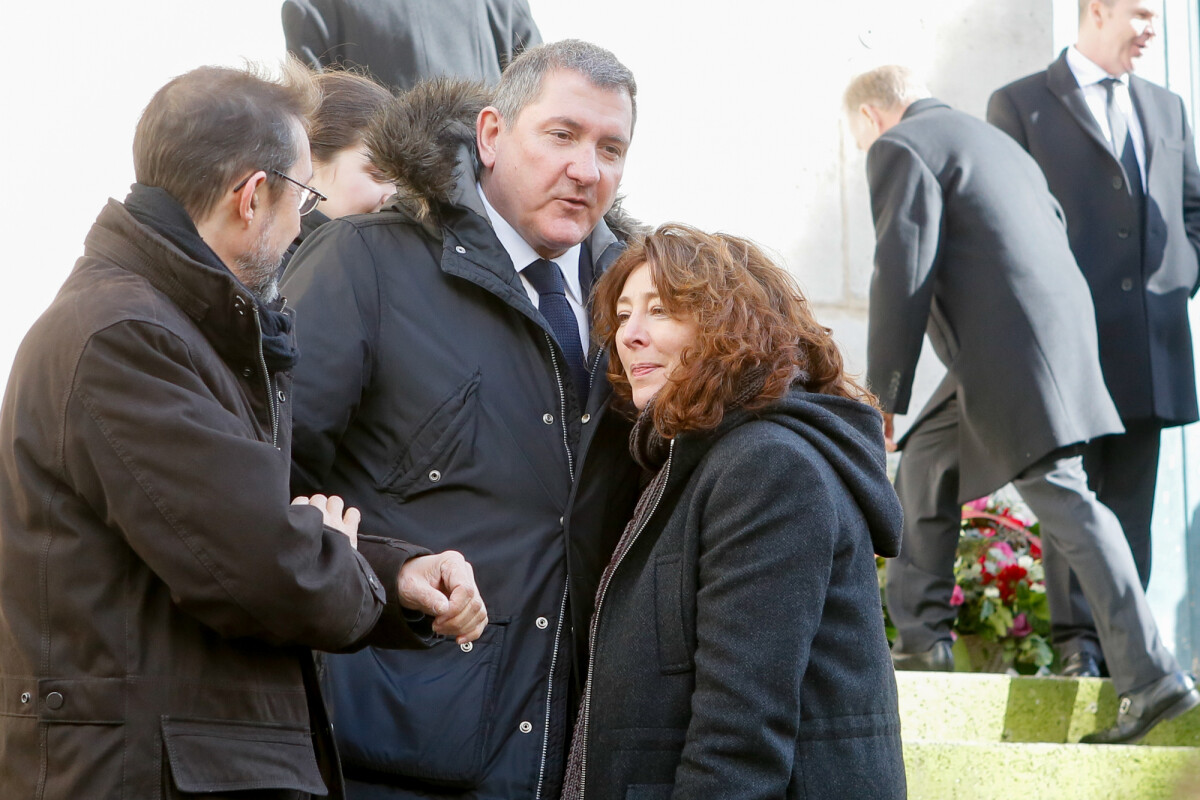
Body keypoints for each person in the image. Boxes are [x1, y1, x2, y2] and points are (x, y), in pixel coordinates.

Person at [0, 63, 487, 799]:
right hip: (143, 775)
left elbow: (258, 533)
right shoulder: (124, 338)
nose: (304, 224)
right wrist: (332, 554)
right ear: (253, 197)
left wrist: (391, 574)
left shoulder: (178, 329)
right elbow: (264, 568)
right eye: (304, 195)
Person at [281, 41, 642, 798]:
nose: (587, 169)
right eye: (562, 135)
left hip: (576, 752)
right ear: (490, 135)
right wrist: (395, 571)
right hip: (387, 749)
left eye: (612, 147)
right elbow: (271, 479)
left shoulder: (640, 300)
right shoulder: (364, 264)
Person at [846, 64, 1198, 744]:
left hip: (1018, 355)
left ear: (871, 117)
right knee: (926, 457)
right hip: (1041, 342)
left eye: (858, 137)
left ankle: (1153, 679)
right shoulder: (990, 140)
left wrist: (882, 394)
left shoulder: (901, 146)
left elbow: (902, 269)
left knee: (1064, 498)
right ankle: (922, 641)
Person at [557, 223, 907, 799]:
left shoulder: (767, 467)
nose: (631, 336)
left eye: (661, 311)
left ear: (731, 326)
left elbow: (740, 732)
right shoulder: (692, 460)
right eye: (623, 315)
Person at [988, 0, 1200, 679]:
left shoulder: (1167, 107)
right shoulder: (1020, 103)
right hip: (1066, 346)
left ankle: (1126, 654)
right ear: (1098, 9)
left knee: (1131, 506)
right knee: (1073, 498)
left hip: (1151, 346)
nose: (1151, 29)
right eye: (1140, 12)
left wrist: (1183, 273)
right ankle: (1078, 644)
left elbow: (1192, 205)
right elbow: (1006, 219)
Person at [279, 67, 398, 273]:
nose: (394, 195)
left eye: (403, 183)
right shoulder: (264, 270)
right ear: (309, 158)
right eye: (378, 174)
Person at [283, 0, 541, 91]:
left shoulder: (310, 8)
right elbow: (538, 97)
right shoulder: (500, 4)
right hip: (484, 186)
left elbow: (315, 126)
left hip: (378, 194)